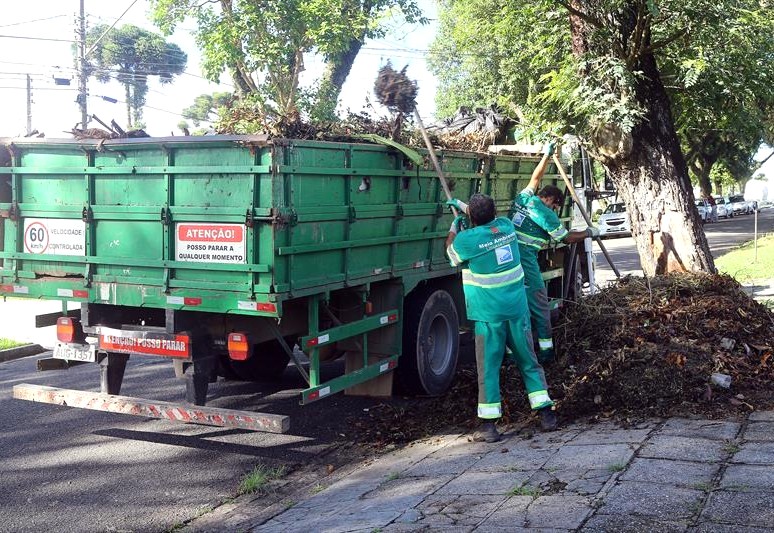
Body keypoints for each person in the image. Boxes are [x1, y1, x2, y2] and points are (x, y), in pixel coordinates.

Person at [445, 193, 557, 443]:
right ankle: (546, 415)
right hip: (517, 312)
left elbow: (451, 254)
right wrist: (465, 207)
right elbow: (483, 217)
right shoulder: (506, 227)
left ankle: (488, 427)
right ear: (494, 213)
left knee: (489, 369)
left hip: (488, 318)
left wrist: (454, 226)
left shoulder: (466, 240)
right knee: (529, 361)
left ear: (471, 218)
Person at [507, 142, 598, 364]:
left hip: (507, 262)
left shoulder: (524, 198)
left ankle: (510, 356)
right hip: (526, 263)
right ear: (550, 200)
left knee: (512, 310)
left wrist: (546, 156)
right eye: (556, 206)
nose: (555, 210)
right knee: (540, 307)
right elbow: (565, 238)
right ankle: (546, 353)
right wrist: (588, 232)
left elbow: (535, 179)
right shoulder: (546, 215)